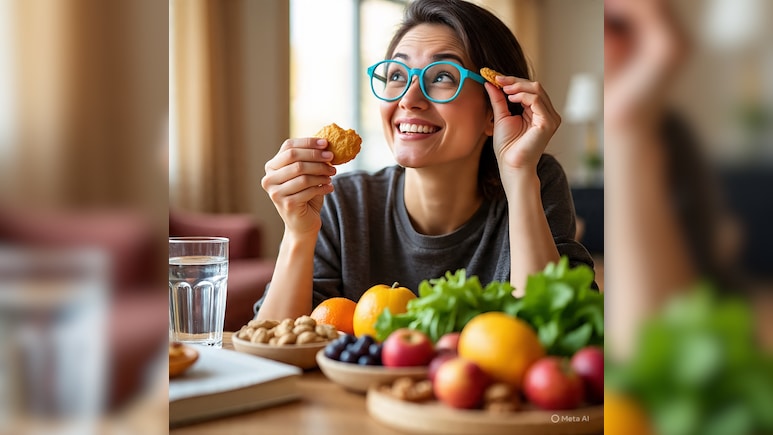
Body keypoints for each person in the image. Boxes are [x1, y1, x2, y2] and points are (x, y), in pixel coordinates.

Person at [256, 0, 594, 321]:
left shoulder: (536, 182)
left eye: (442, 76)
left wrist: (519, 174)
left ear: (495, 110)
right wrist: (299, 234)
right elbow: (273, 350)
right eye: (397, 75)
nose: (409, 99)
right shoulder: (342, 202)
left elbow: (557, 336)